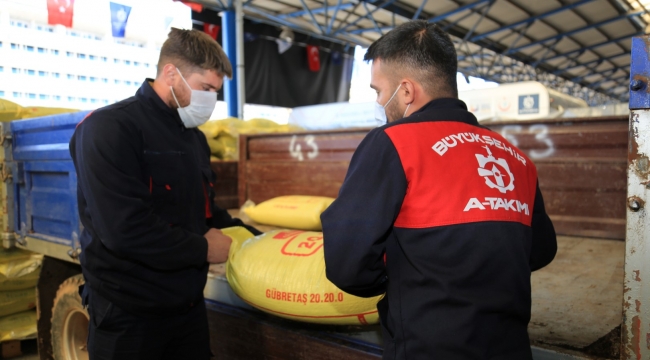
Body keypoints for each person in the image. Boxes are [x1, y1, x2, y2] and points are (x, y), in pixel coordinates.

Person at [321, 20, 557, 360]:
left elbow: (346, 263)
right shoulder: (513, 156)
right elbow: (542, 248)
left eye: (377, 90)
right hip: (511, 347)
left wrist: (400, 279)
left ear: (406, 91)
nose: (378, 101)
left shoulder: (393, 144)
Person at [70, 28, 260, 360]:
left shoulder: (193, 139)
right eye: (205, 88)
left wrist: (257, 240)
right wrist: (203, 248)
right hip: (129, 314)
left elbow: (204, 210)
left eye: (215, 91)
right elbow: (124, 230)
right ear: (171, 74)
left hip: (186, 309)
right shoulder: (111, 129)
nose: (210, 100)